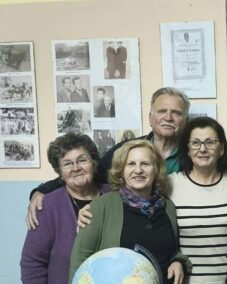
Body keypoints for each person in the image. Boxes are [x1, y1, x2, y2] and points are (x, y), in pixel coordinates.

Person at [27, 87, 190, 229]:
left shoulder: (193, 155)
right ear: (150, 118)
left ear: (185, 120)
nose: (168, 117)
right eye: (162, 111)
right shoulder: (126, 150)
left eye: (176, 113)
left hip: (178, 228)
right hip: (132, 228)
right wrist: (42, 191)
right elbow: (88, 172)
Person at [69, 139, 190, 284]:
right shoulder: (101, 207)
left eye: (145, 164)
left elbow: (171, 250)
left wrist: (178, 261)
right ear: (121, 171)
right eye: (131, 164)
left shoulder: (168, 207)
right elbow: (80, 258)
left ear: (156, 169)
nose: (138, 170)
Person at [20, 133, 102, 284]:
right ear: (59, 171)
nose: (76, 168)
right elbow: (32, 261)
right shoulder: (48, 206)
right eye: (68, 163)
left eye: (82, 160)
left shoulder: (114, 196)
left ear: (93, 163)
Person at [166, 117, 227, 284]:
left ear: (221, 149)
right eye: (195, 143)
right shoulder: (171, 184)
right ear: (187, 149)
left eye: (210, 142)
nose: (203, 149)